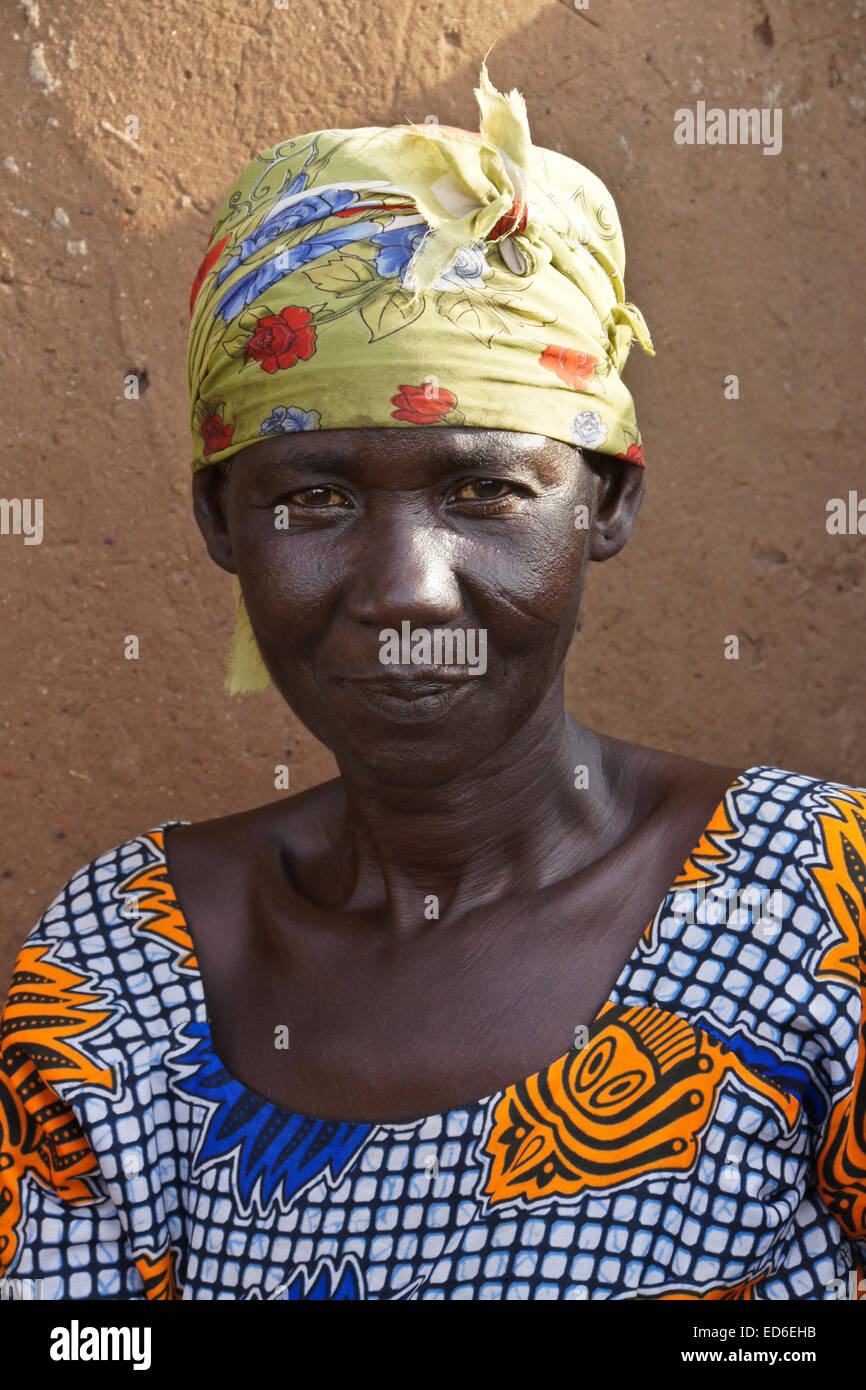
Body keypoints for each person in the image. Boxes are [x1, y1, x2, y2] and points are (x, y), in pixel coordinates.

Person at [1, 62, 864, 1303]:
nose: (404, 588)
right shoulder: (123, 969)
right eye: (313, 497)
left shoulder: (818, 913)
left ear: (604, 501)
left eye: (483, 492)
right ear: (218, 520)